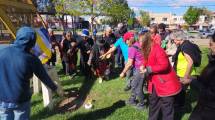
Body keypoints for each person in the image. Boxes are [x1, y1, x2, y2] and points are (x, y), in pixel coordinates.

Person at [0, 27, 58, 120]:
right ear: (33, 42)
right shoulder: (32, 59)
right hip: (21, 100)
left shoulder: (2, 50)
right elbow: (44, 77)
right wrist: (54, 88)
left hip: (2, 99)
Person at [140, 32, 181, 120]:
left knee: (167, 108)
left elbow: (164, 65)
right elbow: (146, 59)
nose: (139, 43)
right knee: (153, 104)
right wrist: (143, 65)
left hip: (165, 84)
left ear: (146, 41)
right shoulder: (148, 49)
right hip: (154, 83)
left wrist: (148, 69)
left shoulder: (157, 49)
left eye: (141, 41)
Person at [180, 32, 215, 120]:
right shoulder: (212, 61)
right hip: (204, 106)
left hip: (209, 110)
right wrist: (196, 77)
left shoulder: (185, 46)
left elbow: (210, 91)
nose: (209, 47)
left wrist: (191, 81)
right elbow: (208, 79)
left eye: (211, 44)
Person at [170, 30, 201, 109]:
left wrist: (186, 76)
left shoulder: (185, 47)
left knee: (181, 91)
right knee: (180, 90)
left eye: (174, 39)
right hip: (181, 72)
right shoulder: (185, 44)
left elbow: (190, 62)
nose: (173, 41)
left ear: (179, 39)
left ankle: (179, 106)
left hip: (184, 73)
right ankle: (179, 104)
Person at [120, 30, 148, 110]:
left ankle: (142, 104)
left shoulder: (132, 48)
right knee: (134, 85)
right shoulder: (139, 44)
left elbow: (129, 63)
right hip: (142, 68)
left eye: (126, 41)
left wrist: (123, 72)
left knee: (138, 88)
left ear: (129, 39)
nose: (125, 43)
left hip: (140, 70)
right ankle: (132, 100)